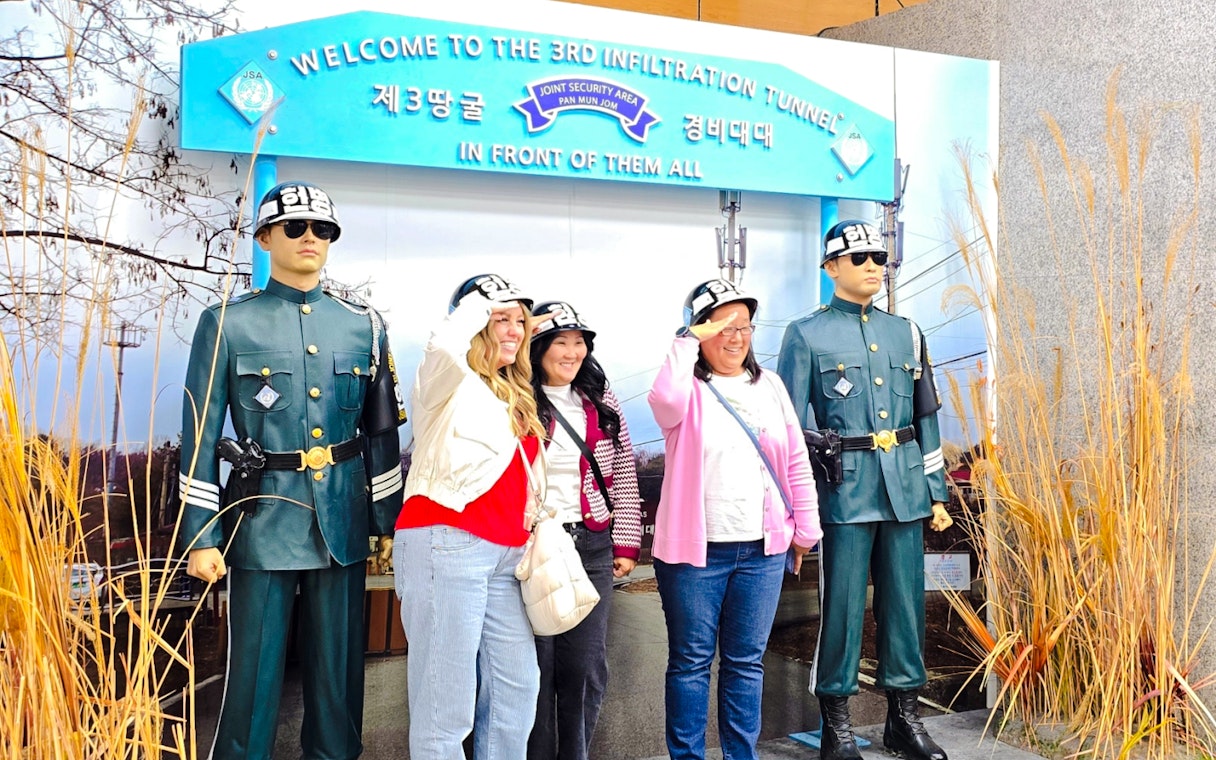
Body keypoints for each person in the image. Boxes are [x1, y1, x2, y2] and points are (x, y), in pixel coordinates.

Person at [178, 181, 407, 760]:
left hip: (343, 522)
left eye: (323, 229)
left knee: (339, 676)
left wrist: (384, 520)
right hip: (262, 520)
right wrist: (202, 534)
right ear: (265, 237)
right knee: (252, 673)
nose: (311, 238)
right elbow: (201, 432)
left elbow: (380, 434)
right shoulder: (228, 322)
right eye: (296, 227)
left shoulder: (366, 326)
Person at [776, 220, 954, 760]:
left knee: (905, 607)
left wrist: (936, 490)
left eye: (878, 256)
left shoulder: (907, 332)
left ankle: (904, 718)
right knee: (843, 609)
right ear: (830, 268)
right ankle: (838, 725)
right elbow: (789, 426)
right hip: (844, 492)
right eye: (858, 258)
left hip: (903, 490)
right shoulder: (806, 334)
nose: (873, 265)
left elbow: (925, 418)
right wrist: (795, 507)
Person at [647, 278, 822, 760]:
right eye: (721, 326)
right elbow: (662, 401)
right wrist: (684, 340)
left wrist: (805, 531)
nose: (734, 336)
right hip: (694, 555)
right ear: (699, 333)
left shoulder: (771, 387)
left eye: (743, 326)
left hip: (761, 553)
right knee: (690, 664)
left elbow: (795, 464)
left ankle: (740, 756)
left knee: (746, 664)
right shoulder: (686, 389)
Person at [394, 273, 545, 760]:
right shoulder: (444, 380)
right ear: (475, 321)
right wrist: (483, 302)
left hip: (506, 554)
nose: (513, 330)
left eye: (519, 321)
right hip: (447, 541)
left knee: (515, 690)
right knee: (445, 708)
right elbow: (445, 343)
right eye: (500, 319)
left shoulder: (513, 390)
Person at [525, 301, 643, 760]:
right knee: (534, 669)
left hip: (589, 544)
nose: (572, 352)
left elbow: (624, 472)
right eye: (560, 342)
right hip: (530, 547)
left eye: (579, 342)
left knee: (585, 668)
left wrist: (626, 541)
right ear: (538, 349)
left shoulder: (599, 397)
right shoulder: (514, 395)